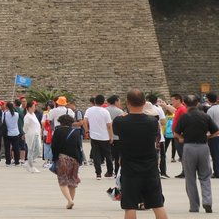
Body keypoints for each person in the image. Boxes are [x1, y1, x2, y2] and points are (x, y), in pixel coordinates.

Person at [114, 89, 169, 219]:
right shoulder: (152, 122)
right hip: (150, 167)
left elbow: (116, 131)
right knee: (157, 204)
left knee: (130, 206)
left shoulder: (119, 121)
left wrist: (123, 114)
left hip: (129, 168)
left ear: (127, 102)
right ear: (144, 102)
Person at [174, 94, 219, 213]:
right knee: (205, 176)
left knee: (190, 178)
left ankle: (194, 206)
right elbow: (216, 130)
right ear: (197, 103)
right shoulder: (205, 116)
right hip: (203, 147)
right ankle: (207, 201)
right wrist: (208, 136)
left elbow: (176, 132)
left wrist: (181, 138)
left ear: (185, 103)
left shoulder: (184, 117)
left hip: (189, 147)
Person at [50, 114, 85, 210]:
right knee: (72, 181)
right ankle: (71, 201)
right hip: (75, 159)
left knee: (63, 181)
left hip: (62, 158)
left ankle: (70, 201)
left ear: (61, 122)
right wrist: (80, 160)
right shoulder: (76, 132)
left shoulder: (58, 131)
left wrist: (55, 158)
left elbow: (54, 146)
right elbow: (79, 147)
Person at [85, 94, 116, 179]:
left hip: (94, 136)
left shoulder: (89, 110)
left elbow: (85, 121)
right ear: (103, 102)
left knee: (96, 155)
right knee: (108, 155)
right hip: (105, 137)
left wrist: (87, 131)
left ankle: (98, 174)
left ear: (94, 101)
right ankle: (110, 172)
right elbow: (109, 125)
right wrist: (111, 136)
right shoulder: (105, 111)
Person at [24, 100, 44, 173]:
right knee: (31, 150)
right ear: (29, 108)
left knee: (38, 150)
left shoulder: (33, 114)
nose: (34, 108)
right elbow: (25, 127)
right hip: (31, 135)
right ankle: (31, 166)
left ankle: (28, 162)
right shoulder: (27, 116)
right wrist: (26, 133)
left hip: (36, 134)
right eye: (33, 107)